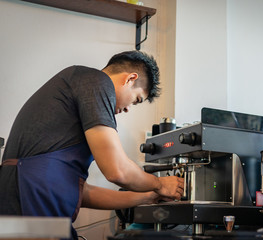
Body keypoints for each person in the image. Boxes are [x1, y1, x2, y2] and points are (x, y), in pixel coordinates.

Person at [0, 50, 184, 239]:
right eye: (136, 99)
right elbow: (117, 170)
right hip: (30, 207)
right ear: (130, 79)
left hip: (27, 209)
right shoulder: (96, 81)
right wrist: (159, 183)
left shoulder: (77, 85)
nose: (128, 108)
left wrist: (147, 196)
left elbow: (82, 192)